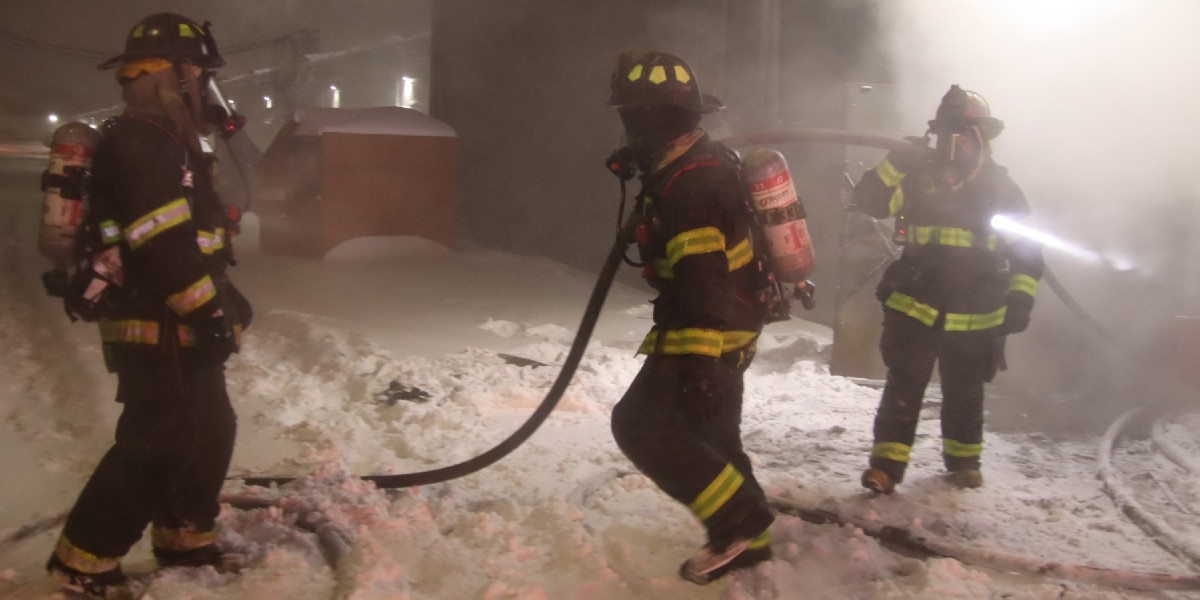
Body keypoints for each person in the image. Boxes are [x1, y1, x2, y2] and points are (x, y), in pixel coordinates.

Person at [45, 13, 252, 598]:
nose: (207, 91)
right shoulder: (142, 142)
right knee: (157, 439)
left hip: (179, 317)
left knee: (210, 427)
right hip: (157, 321)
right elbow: (163, 246)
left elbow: (199, 235)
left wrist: (219, 304)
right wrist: (208, 314)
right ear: (174, 75)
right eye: (200, 76)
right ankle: (83, 562)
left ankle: (184, 535)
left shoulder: (169, 141)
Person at [606, 50, 774, 585]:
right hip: (727, 322)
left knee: (640, 425)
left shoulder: (691, 186)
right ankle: (753, 545)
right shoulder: (692, 165)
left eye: (633, 118)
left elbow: (704, 280)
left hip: (708, 327)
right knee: (713, 438)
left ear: (650, 120)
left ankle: (738, 519)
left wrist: (700, 367)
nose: (629, 129)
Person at [853, 85, 1043, 494]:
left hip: (976, 311)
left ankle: (963, 464)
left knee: (965, 391)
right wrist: (892, 165)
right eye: (945, 134)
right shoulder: (917, 179)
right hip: (916, 303)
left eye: (961, 134)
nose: (951, 144)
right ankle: (885, 468)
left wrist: (1021, 297)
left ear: (981, 139)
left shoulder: (1001, 190)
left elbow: (1027, 249)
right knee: (903, 386)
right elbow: (869, 201)